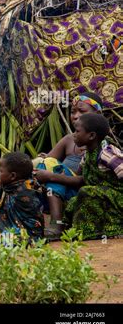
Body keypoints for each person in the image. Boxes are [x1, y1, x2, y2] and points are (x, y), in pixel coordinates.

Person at [34, 92, 103, 232]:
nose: (76, 116)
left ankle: (57, 223)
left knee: (53, 171)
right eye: (73, 112)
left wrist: (52, 174)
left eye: (82, 111)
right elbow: (48, 161)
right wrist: (42, 160)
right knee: (40, 163)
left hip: (82, 194)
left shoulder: (101, 146)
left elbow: (86, 180)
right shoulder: (68, 140)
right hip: (59, 194)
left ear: (97, 114)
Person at [62, 113, 123, 239]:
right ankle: (74, 233)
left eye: (77, 131)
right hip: (102, 195)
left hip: (118, 197)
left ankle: (88, 235)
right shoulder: (88, 154)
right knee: (74, 202)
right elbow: (81, 178)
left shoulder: (106, 153)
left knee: (87, 192)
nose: (74, 134)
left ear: (91, 135)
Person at [0, 152, 44, 241]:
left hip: (27, 234)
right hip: (30, 232)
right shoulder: (28, 183)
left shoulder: (21, 190)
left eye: (1, 171)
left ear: (13, 176)